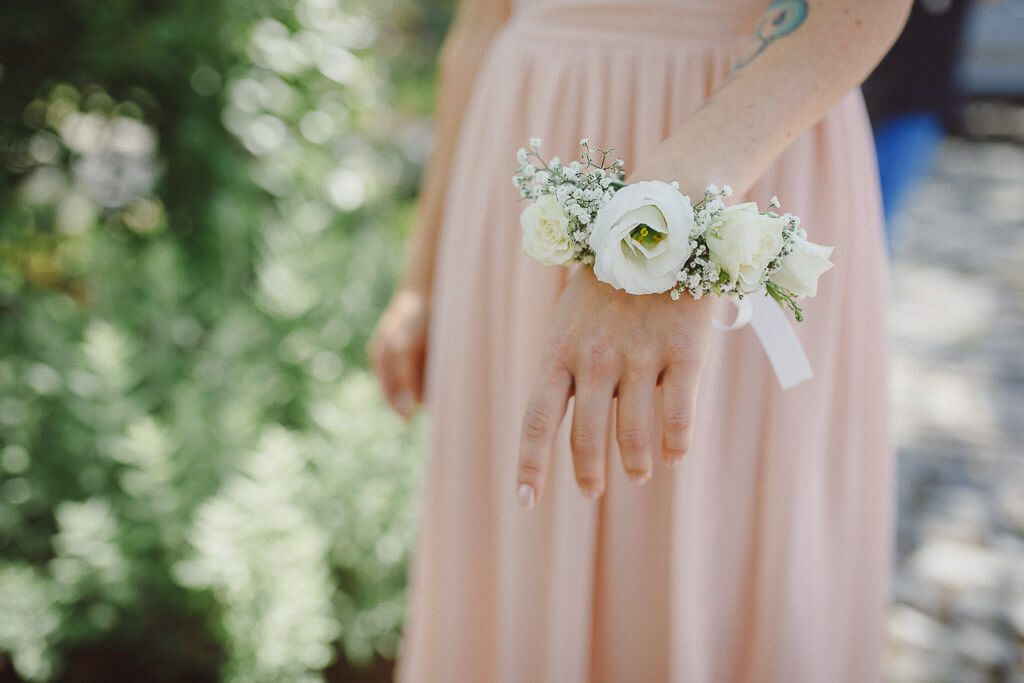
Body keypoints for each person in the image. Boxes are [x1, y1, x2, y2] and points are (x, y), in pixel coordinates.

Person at [369, 0, 911, 680]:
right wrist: (420, 277)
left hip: (749, 145)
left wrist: (661, 224)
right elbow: (482, 20)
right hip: (526, 159)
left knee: (712, 546)